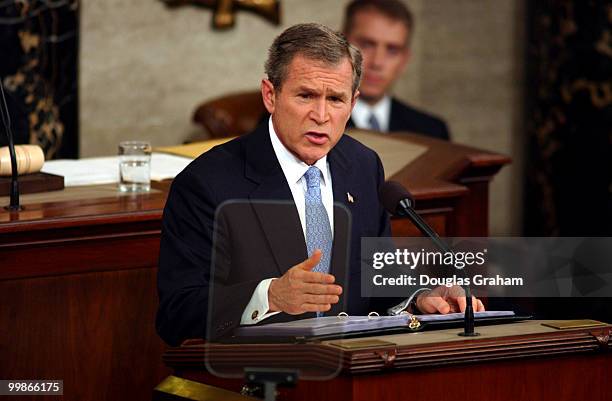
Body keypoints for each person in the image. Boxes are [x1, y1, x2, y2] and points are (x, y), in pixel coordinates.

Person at [156, 23, 480, 346]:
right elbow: (177, 312)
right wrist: (268, 297)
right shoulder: (207, 182)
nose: (321, 115)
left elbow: (375, 278)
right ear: (270, 95)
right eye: (306, 95)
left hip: (352, 368)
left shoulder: (363, 167)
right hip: (261, 376)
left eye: (336, 99)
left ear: (352, 104)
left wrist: (421, 297)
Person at [343, 0, 450, 140]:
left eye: (392, 50)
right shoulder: (316, 122)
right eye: (367, 45)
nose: (377, 62)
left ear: (404, 59)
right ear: (341, 46)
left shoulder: (431, 131)